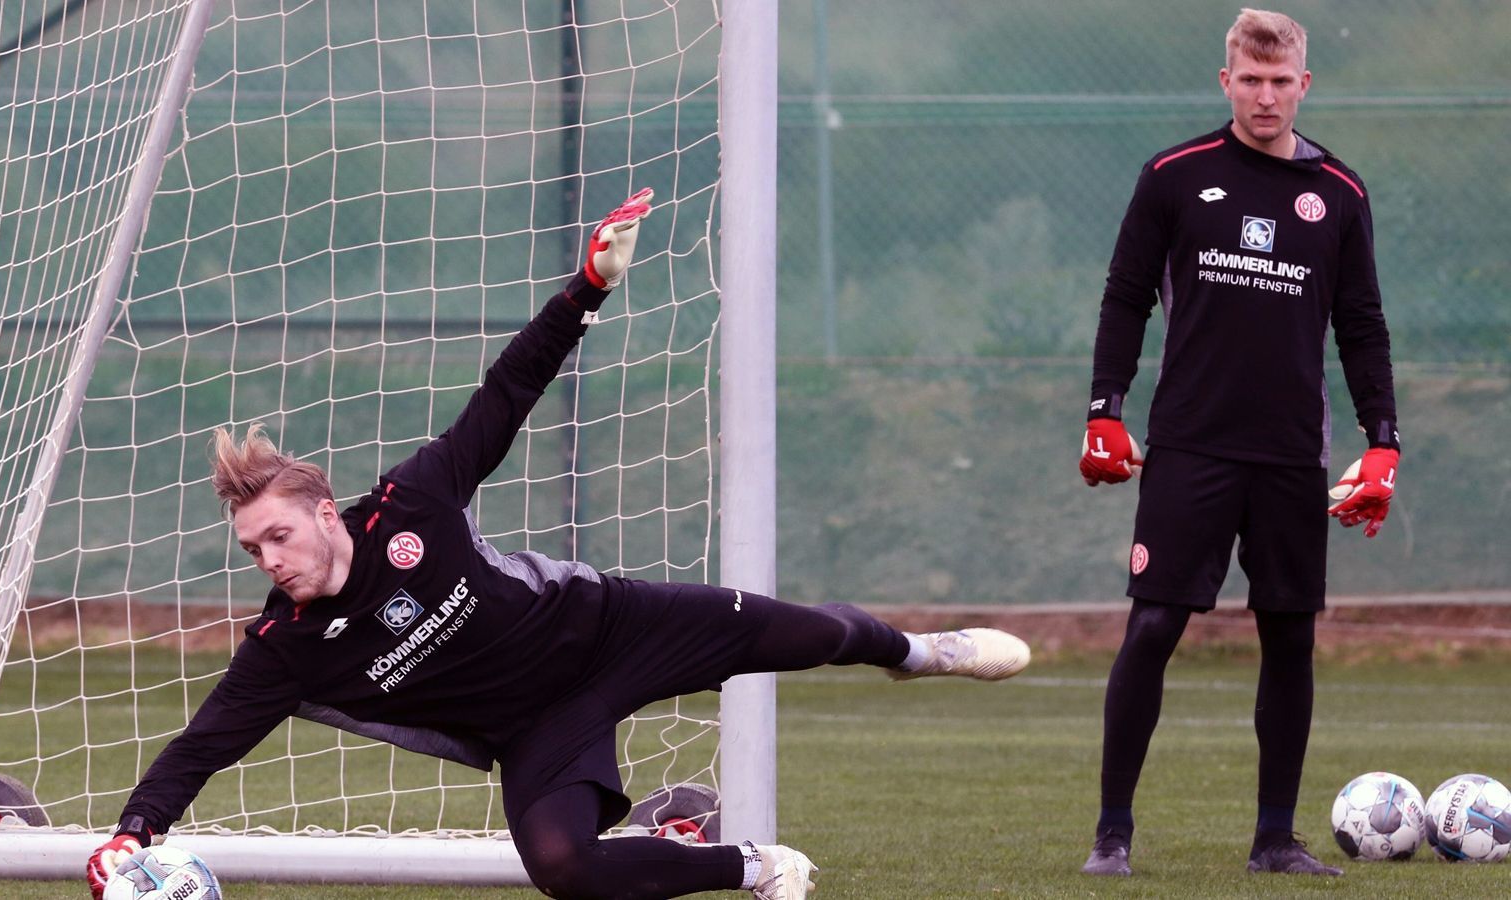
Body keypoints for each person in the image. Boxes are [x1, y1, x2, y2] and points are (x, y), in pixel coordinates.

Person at [83, 188, 1033, 900]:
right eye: (253, 551)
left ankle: (915, 652)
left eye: (278, 535)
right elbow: (199, 746)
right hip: (540, 727)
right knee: (564, 869)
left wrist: (586, 289)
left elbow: (508, 392)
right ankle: (750, 867)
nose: (270, 560)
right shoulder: (282, 650)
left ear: (327, 513)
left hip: (613, 628)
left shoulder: (413, 503)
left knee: (813, 640)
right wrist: (135, 832)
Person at [1075, 8, 1400, 878]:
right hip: (1190, 446)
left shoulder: (1340, 192)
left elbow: (1363, 326)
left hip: (1293, 452)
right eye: (1248, 80)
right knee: (1152, 628)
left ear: (1303, 84)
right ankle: (1112, 835)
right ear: (1227, 83)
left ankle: (1273, 840)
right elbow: (1124, 296)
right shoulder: (1176, 175)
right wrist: (1106, 409)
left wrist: (1383, 442)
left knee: (1289, 639)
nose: (1264, 96)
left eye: (1279, 80)